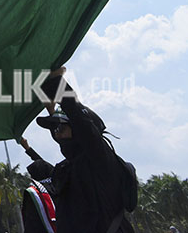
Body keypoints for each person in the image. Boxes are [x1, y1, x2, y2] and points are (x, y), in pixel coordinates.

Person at [30, 68, 135, 233]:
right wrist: (50, 108)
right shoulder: (71, 167)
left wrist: (59, 84)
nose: (58, 134)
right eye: (55, 130)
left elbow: (80, 121)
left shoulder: (100, 159)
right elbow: (66, 134)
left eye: (61, 128)